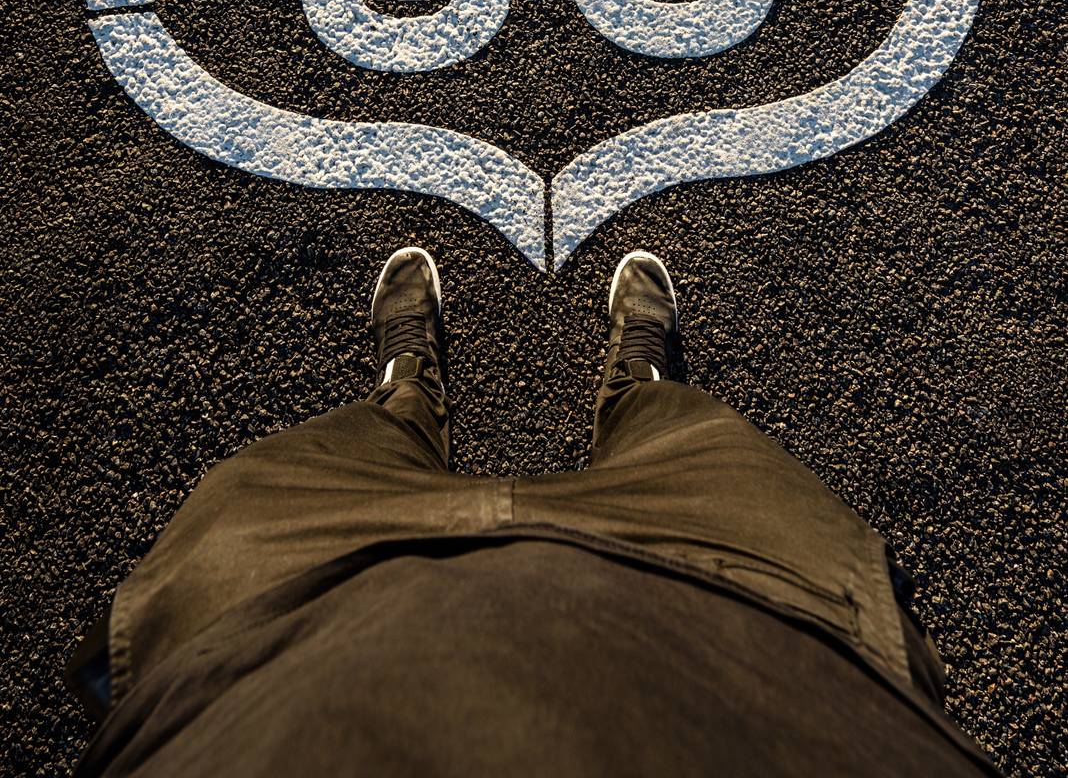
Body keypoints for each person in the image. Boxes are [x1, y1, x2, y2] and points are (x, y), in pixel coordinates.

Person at [70, 247, 999, 775]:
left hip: (276, 623)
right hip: (750, 615)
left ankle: (405, 401)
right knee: (702, 438)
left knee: (288, 472)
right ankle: (639, 391)